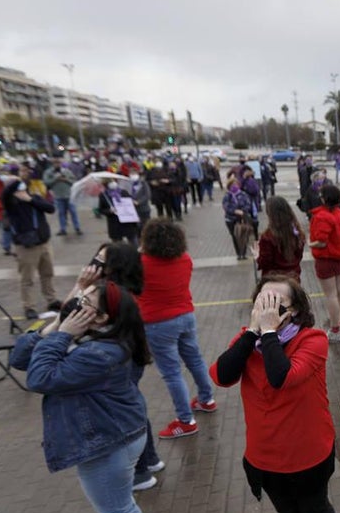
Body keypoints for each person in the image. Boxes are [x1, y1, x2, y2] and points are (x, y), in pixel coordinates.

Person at [9, 282, 170, 513]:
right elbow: (20, 358)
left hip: (109, 443)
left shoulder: (103, 351)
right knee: (120, 502)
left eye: (85, 302)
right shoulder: (94, 335)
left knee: (116, 509)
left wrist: (61, 334)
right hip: (113, 435)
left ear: (101, 317)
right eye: (79, 299)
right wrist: (56, 326)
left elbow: (39, 378)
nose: (77, 305)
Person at [209, 275, 339, 513]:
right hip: (265, 455)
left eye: (276, 304)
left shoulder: (313, 340)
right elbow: (222, 375)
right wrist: (255, 331)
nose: (267, 309)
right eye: (261, 302)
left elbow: (282, 376)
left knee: (316, 509)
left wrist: (267, 331)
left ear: (294, 311)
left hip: (307, 452)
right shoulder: (248, 341)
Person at [136, 219, 219, 439]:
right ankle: (206, 399)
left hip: (157, 323)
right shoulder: (184, 259)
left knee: (172, 372)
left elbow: (133, 288)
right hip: (185, 316)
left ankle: (185, 420)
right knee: (195, 359)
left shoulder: (141, 262)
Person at [2, 176, 60, 320]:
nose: (22, 187)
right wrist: (15, 182)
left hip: (44, 242)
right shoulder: (11, 203)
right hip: (26, 246)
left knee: (47, 273)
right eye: (18, 186)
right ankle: (29, 306)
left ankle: (51, 300)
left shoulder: (34, 198)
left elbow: (50, 208)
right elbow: (3, 195)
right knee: (27, 278)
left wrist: (30, 200)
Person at [309, 184, 340, 342]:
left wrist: (310, 244)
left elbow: (321, 242)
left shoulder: (322, 217)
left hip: (325, 259)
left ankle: (335, 330)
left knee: (330, 295)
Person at [256, 196, 306, 281]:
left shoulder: (268, 237)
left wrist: (257, 256)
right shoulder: (297, 233)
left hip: (274, 280)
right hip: (293, 278)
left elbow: (264, 263)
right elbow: (299, 256)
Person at [43, 163, 82, 236]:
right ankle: (63, 229)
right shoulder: (48, 172)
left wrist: (65, 179)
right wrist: (55, 178)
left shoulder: (67, 171)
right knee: (61, 213)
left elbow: (74, 181)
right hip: (58, 196)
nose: (57, 162)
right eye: (55, 160)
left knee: (73, 212)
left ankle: (77, 228)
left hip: (69, 195)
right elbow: (46, 182)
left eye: (58, 160)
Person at [222, 180, 256, 260]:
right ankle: (238, 253)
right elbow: (226, 206)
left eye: (236, 184)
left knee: (243, 235)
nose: (234, 186)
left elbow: (248, 204)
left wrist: (243, 211)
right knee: (235, 236)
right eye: (233, 184)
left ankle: (243, 253)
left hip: (242, 219)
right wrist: (234, 211)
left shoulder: (243, 194)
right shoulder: (227, 195)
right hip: (230, 219)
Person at [99, 181, 140, 246]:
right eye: (110, 181)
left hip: (128, 222)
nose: (112, 183)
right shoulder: (104, 195)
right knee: (117, 245)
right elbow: (101, 209)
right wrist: (109, 211)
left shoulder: (123, 192)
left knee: (133, 242)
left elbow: (131, 202)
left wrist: (134, 203)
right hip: (115, 224)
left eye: (113, 180)